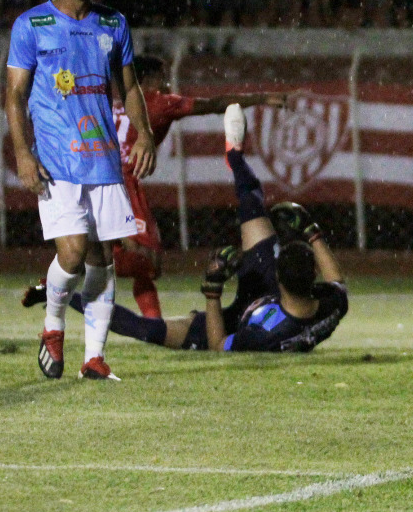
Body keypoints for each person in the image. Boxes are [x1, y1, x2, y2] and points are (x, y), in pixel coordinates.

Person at [23, 105, 348, 353]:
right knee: (252, 206)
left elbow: (221, 345)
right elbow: (338, 284)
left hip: (234, 322)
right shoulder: (332, 303)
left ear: (281, 273)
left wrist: (212, 292)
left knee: (147, 330)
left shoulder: (267, 334)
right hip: (270, 295)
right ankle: (235, 156)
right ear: (313, 278)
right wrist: (311, 230)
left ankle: (59, 295)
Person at [5, 0, 157, 382]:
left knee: (101, 260)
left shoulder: (114, 24)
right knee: (71, 253)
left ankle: (95, 358)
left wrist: (144, 135)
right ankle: (53, 325)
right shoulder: (31, 25)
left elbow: (128, 87)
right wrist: (22, 154)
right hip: (56, 158)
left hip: (104, 158)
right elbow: (14, 95)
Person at [109, 54, 293, 319]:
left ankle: (153, 321)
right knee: (148, 262)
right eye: (162, 77)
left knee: (144, 262)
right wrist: (262, 98)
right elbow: (215, 104)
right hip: (124, 183)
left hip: (107, 178)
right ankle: (92, 262)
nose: (167, 82)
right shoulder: (160, 102)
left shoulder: (117, 103)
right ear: (148, 79)